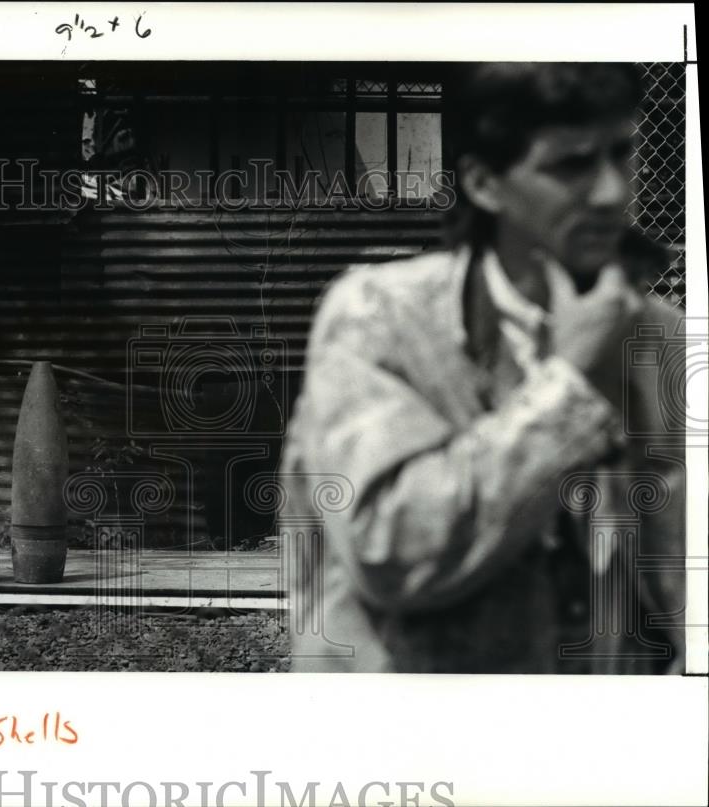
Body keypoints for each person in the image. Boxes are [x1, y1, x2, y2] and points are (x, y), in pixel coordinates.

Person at [279, 63, 686, 673]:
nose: (611, 192)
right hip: (411, 745)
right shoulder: (379, 317)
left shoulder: (660, 334)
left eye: (621, 154)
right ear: (484, 183)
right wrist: (569, 387)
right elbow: (390, 549)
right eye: (571, 165)